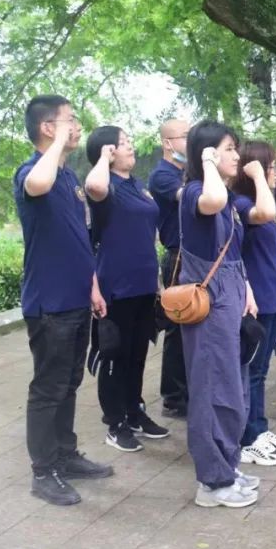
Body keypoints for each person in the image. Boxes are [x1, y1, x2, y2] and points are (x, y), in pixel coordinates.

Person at [14, 95, 114, 506]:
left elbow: (79, 238)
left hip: (76, 298)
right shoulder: (32, 172)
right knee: (48, 387)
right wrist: (57, 143)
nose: (77, 127)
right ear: (47, 128)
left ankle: (66, 455)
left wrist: (93, 286)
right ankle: (44, 471)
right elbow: (36, 184)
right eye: (69, 120)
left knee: (69, 382)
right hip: (49, 303)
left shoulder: (69, 177)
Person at [180, 120, 270, 508]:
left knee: (232, 385)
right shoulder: (196, 192)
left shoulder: (229, 198)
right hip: (210, 301)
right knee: (212, 388)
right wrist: (206, 162)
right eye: (229, 148)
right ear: (208, 152)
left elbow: (233, 250)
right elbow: (212, 200)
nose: (237, 155)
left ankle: (227, 465)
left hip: (231, 293)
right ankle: (212, 483)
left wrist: (245, 288)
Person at [83, 125, 169, 453]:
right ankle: (115, 423)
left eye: (128, 141)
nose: (130, 146)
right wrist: (103, 159)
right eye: (121, 143)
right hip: (115, 285)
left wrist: (157, 283)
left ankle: (134, 412)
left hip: (144, 283)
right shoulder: (105, 187)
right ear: (106, 152)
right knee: (115, 356)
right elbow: (94, 185)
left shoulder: (136, 185)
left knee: (137, 355)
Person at [232, 140, 276, 466]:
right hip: (256, 300)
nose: (275, 173)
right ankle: (249, 437)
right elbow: (266, 213)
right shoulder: (242, 203)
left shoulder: (258, 200)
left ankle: (259, 428)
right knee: (252, 371)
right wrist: (258, 176)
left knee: (262, 369)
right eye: (270, 167)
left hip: (271, 296)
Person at [149, 119, 191, 418]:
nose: (191, 141)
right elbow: (188, 197)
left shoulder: (186, 172)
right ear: (168, 143)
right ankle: (174, 397)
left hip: (194, 255)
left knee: (194, 322)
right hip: (178, 257)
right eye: (186, 136)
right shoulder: (163, 175)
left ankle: (188, 388)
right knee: (178, 324)